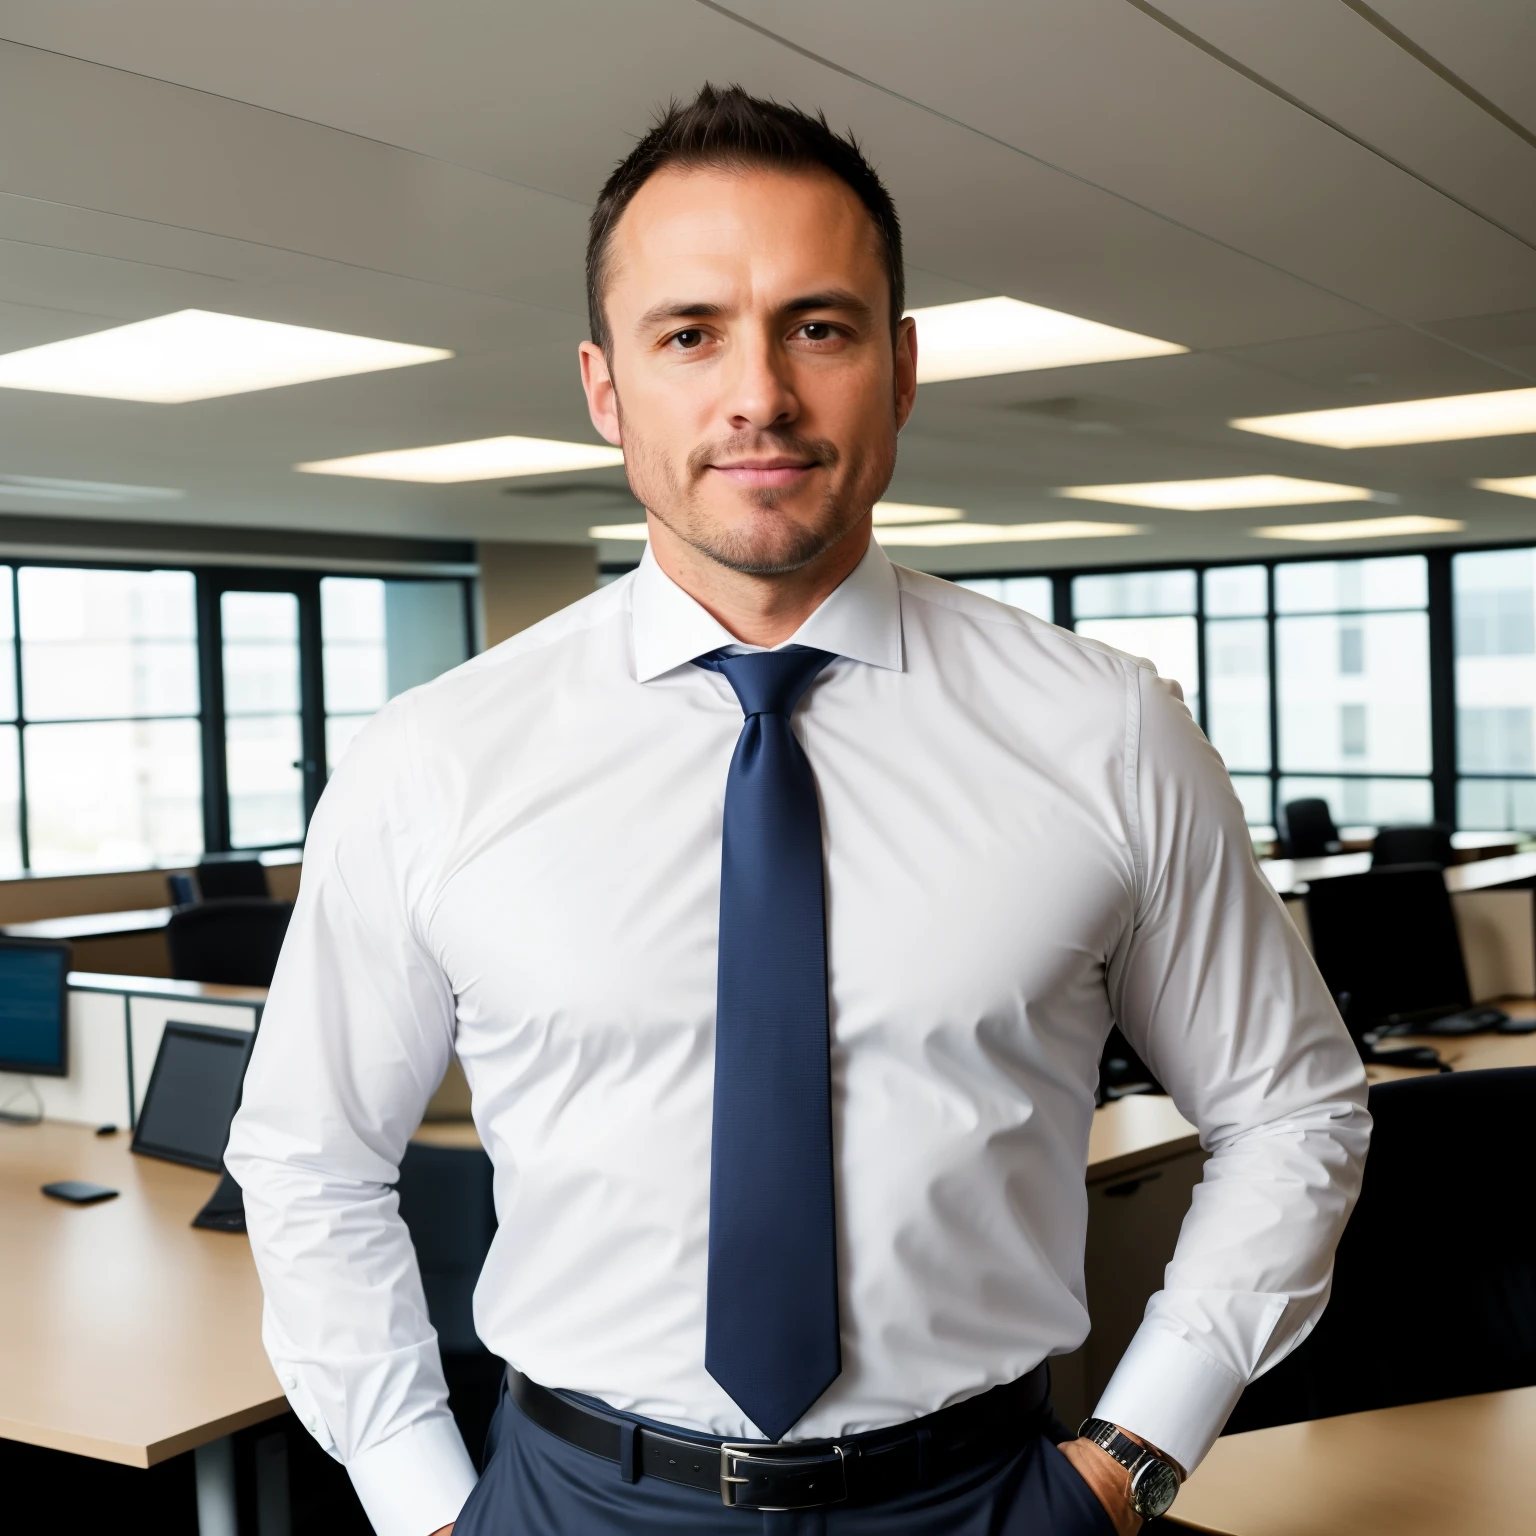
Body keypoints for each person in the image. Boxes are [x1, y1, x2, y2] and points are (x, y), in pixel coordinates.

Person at [226, 84, 1370, 1536]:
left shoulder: (1107, 729)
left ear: (898, 371)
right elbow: (310, 1160)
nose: (756, 393)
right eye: (689, 333)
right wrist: (418, 1501)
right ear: (604, 387)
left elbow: (1295, 1110)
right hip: (571, 1501)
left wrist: (1133, 1459)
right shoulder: (433, 761)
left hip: (985, 1503)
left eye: (816, 328)